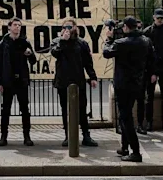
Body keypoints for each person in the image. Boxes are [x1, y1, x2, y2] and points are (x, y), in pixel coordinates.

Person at [103, 16, 152, 162]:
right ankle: (124, 147)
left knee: (126, 118)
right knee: (126, 115)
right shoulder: (145, 41)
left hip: (123, 84)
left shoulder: (122, 42)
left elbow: (106, 52)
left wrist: (108, 39)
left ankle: (135, 152)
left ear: (126, 27)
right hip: (137, 83)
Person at [50, 18, 99, 147]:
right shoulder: (57, 41)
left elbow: (88, 62)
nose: (68, 29)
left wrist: (92, 77)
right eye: (65, 27)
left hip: (78, 80)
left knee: (82, 109)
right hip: (63, 81)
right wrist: (63, 41)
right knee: (66, 110)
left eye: (70, 27)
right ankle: (68, 136)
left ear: (75, 28)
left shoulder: (81, 43)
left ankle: (86, 135)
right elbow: (55, 53)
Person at [0, 17, 36, 147]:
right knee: (5, 110)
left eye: (19, 25)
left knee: (25, 109)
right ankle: (3, 137)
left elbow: (33, 61)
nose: (17, 27)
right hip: (8, 81)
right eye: (15, 25)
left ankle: (27, 136)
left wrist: (30, 54)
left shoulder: (24, 42)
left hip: (21, 81)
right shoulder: (3, 44)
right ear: (9, 27)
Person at [141, 8, 163, 133]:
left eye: (161, 18)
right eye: (158, 18)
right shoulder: (147, 32)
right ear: (154, 17)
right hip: (151, 69)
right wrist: (152, 71)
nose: (160, 20)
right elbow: (146, 54)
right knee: (149, 97)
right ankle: (149, 122)